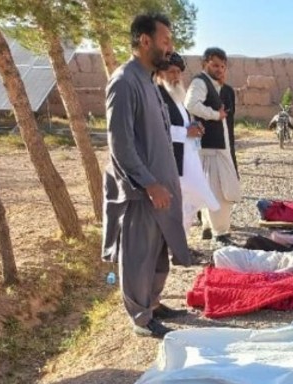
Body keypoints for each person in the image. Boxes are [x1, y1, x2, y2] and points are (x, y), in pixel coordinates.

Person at [102, 13, 191, 339]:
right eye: (165, 41)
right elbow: (121, 144)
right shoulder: (124, 82)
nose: (170, 48)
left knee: (157, 251)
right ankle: (140, 318)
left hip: (160, 188)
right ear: (145, 41)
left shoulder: (149, 81)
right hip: (141, 192)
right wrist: (150, 183)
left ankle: (152, 303)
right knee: (138, 255)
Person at [154, 52, 221, 235]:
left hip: (188, 161)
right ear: (159, 74)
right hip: (171, 165)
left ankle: (180, 245)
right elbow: (155, 131)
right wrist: (186, 132)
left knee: (187, 206)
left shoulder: (177, 96)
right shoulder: (156, 97)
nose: (176, 76)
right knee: (176, 208)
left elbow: (182, 125)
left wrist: (195, 127)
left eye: (178, 72)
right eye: (171, 72)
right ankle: (173, 246)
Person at [185, 47, 241, 243]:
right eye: (215, 65)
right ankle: (221, 233)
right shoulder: (200, 82)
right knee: (220, 191)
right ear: (205, 64)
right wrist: (215, 115)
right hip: (211, 148)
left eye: (223, 66)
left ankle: (208, 226)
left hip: (215, 146)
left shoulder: (217, 86)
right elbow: (191, 104)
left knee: (209, 189)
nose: (219, 69)